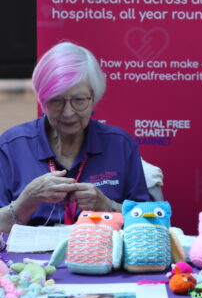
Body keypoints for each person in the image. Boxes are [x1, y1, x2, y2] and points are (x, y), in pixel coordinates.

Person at [0, 42, 149, 232]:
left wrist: (107, 205)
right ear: (43, 100)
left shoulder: (119, 144)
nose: (68, 113)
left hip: (100, 256)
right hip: (28, 260)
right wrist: (26, 200)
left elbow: (150, 221)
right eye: (57, 101)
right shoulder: (12, 145)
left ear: (93, 97)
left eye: (78, 100)